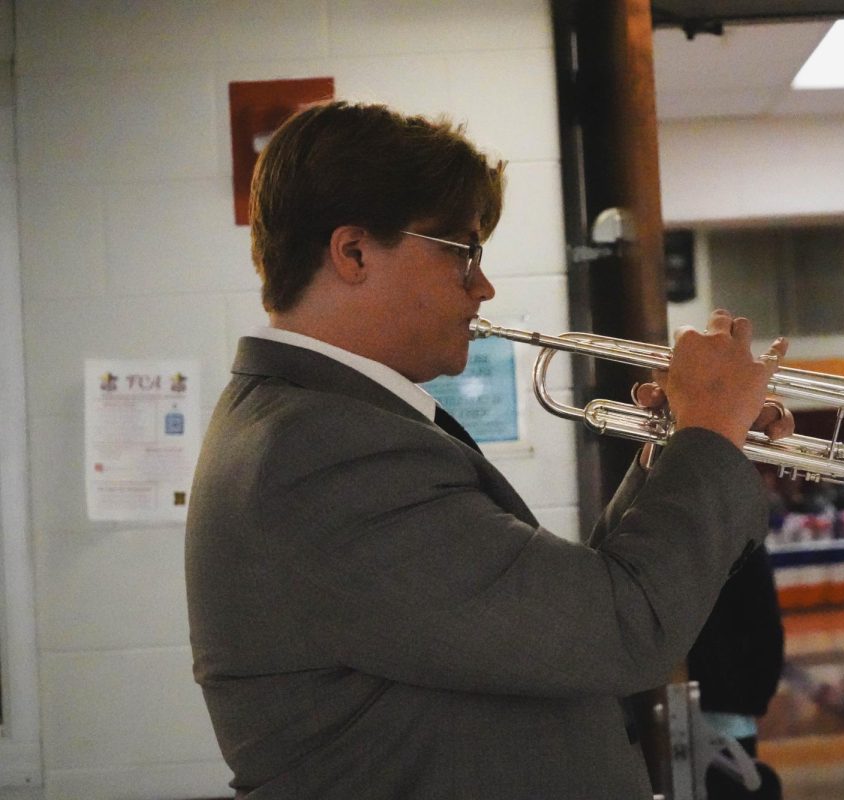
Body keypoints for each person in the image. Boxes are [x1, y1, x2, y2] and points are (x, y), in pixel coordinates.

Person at [184, 100, 794, 800]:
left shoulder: (318, 425)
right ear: (353, 252)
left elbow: (575, 614)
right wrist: (709, 434)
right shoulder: (322, 453)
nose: (483, 285)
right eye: (462, 252)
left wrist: (680, 449)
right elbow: (623, 631)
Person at [687, 521, 785, 800]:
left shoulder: (667, 547)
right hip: (729, 708)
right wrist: (756, 697)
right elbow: (767, 630)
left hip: (680, 705)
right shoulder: (744, 547)